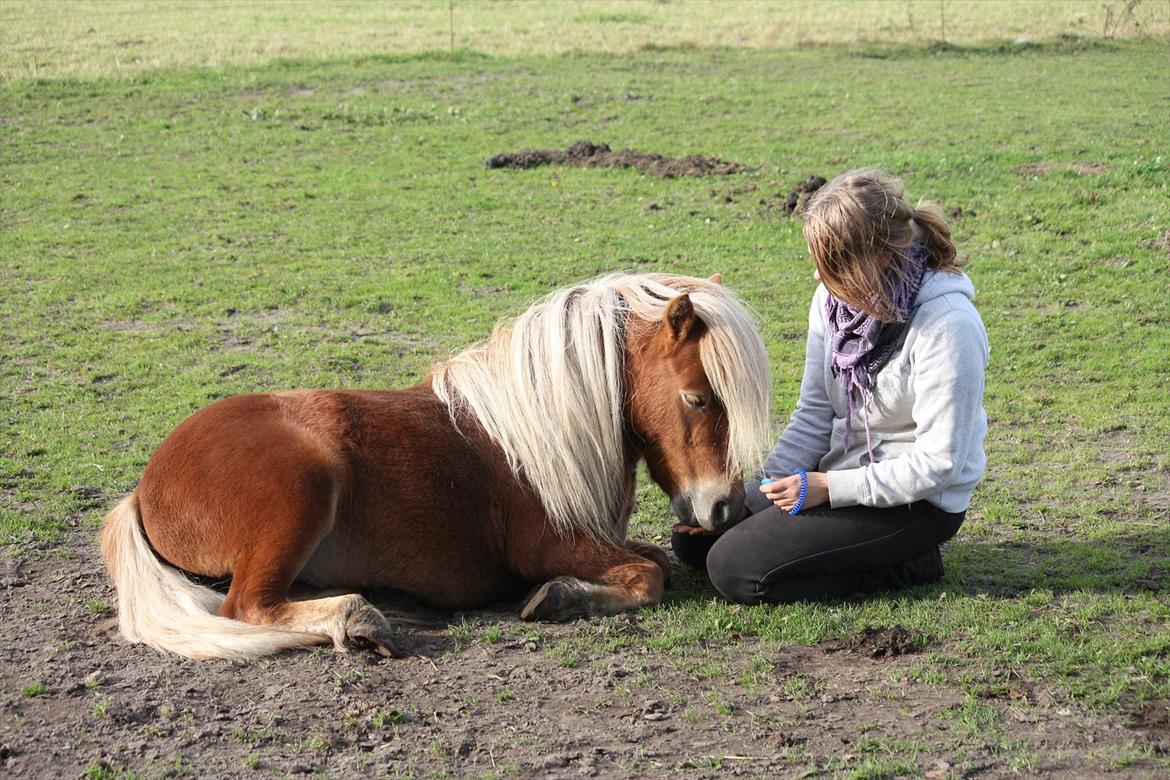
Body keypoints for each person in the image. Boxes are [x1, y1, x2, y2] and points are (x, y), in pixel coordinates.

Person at [673, 168, 988, 604]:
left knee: (736, 570)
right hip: (838, 475)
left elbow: (940, 465)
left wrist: (827, 488)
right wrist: (751, 499)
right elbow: (813, 416)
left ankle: (914, 563)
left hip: (918, 503)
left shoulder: (948, 326)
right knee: (696, 542)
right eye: (818, 262)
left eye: (834, 263)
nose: (820, 278)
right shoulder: (834, 305)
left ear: (878, 257)